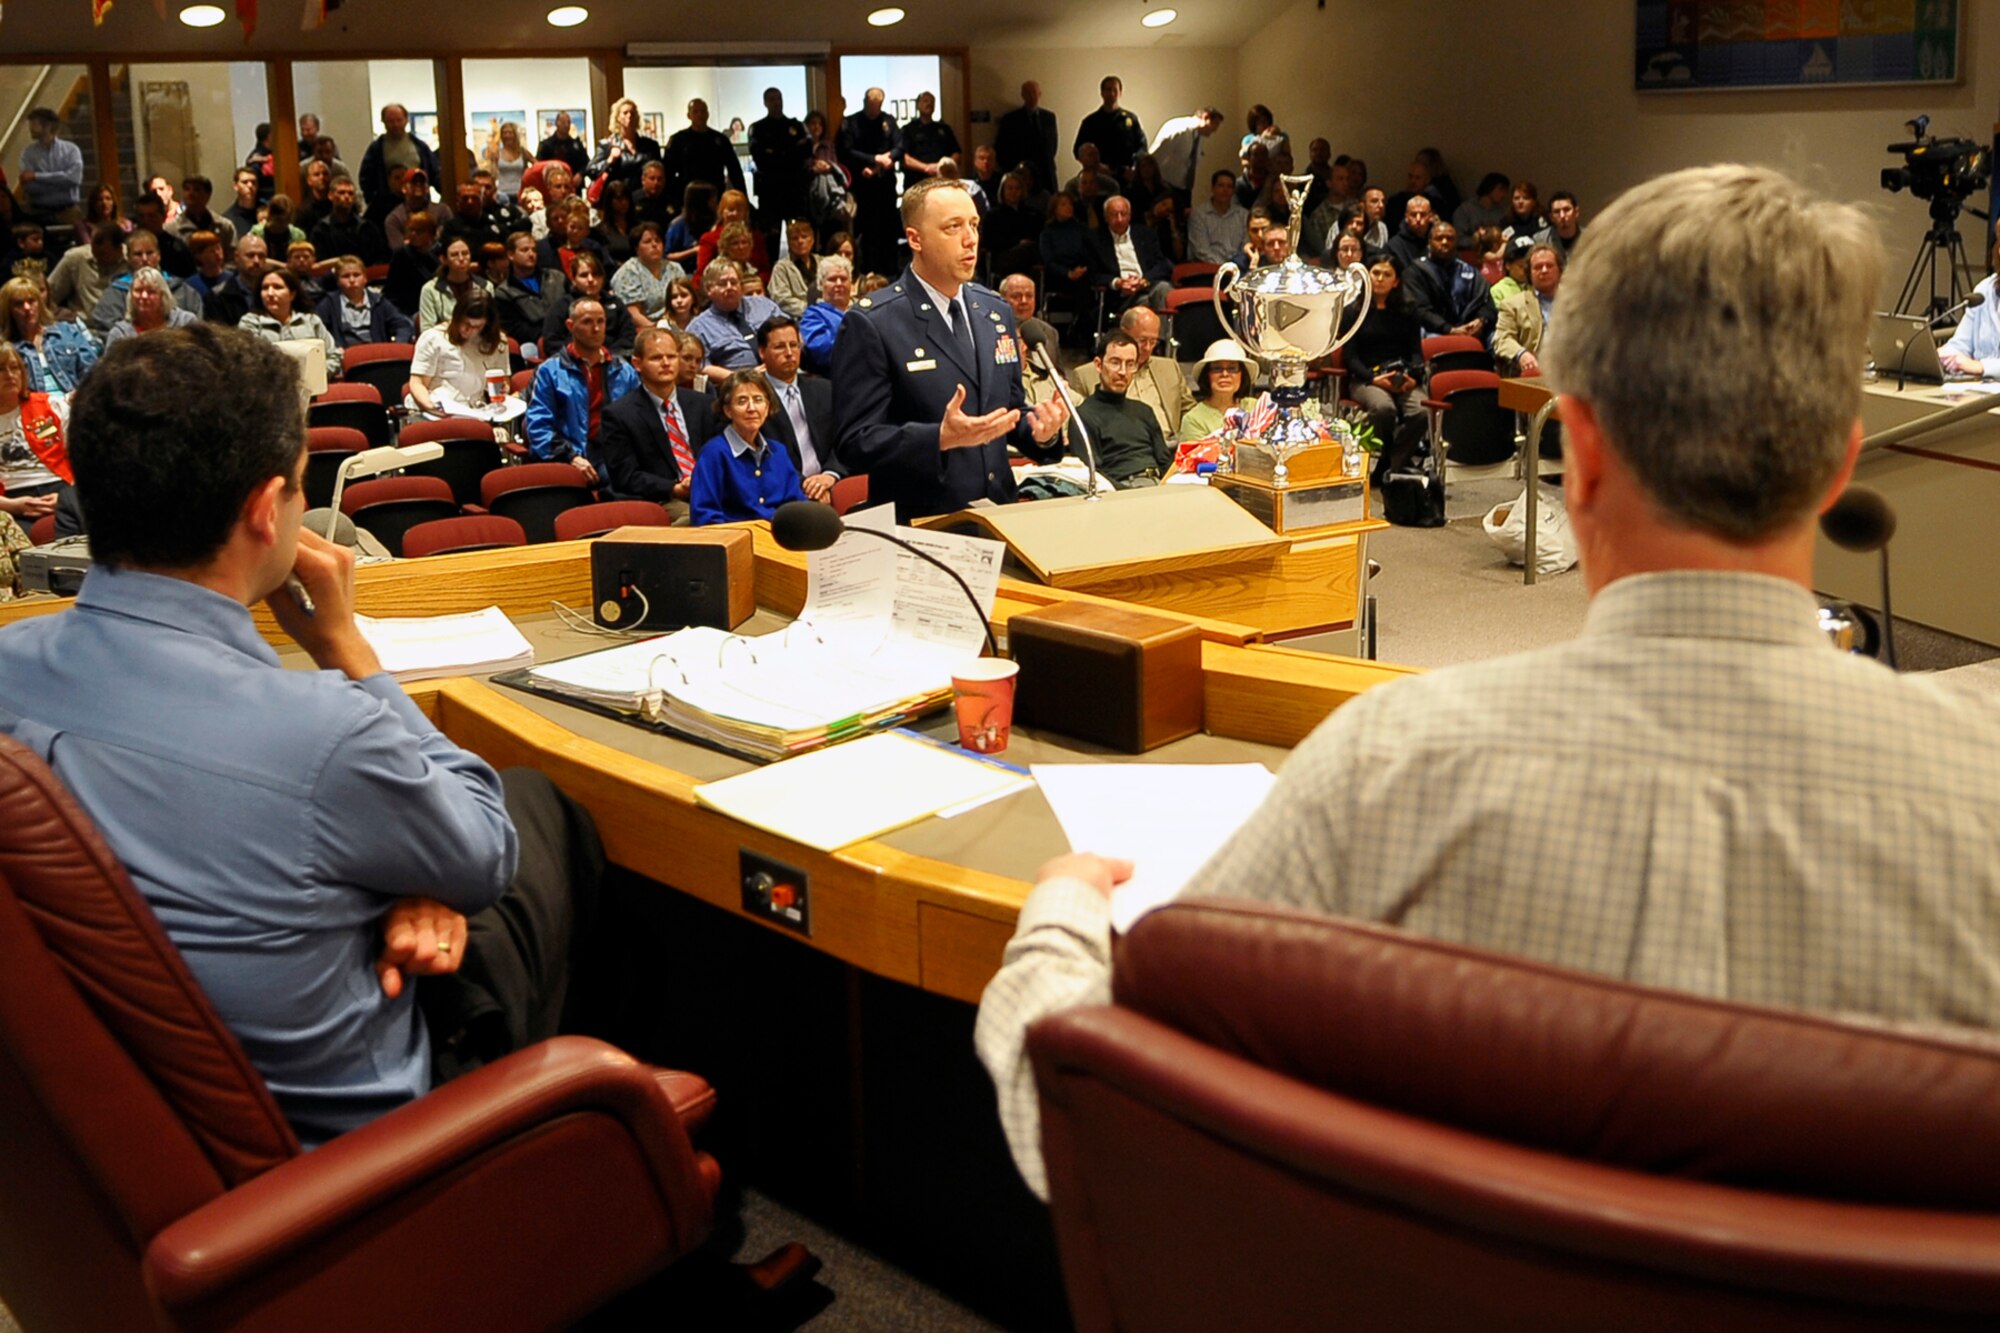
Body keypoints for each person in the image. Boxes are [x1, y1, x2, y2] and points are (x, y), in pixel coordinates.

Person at [981, 160, 2000, 1195]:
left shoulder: (1389, 761)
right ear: (1838, 464)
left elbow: (1087, 1119)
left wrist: (1059, 919)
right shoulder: (1985, 794)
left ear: (1580, 455)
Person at [0, 324, 604, 1146]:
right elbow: (482, 854)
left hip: (111, 1145)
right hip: (356, 1172)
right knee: (538, 808)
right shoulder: (324, 735)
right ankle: (600, 1159)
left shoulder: (11, 671)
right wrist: (345, 646)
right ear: (264, 510)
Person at [831, 177, 1067, 520]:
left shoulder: (995, 311)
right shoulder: (874, 322)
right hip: (923, 523)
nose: (970, 239)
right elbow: (855, 442)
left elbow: (1009, 410)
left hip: (1000, 515)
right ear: (916, 239)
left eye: (974, 224)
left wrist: (1040, 431)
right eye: (953, 227)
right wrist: (937, 438)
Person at [597, 326, 714, 521]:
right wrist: (675, 488)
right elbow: (626, 477)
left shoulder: (703, 404)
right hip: (662, 498)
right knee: (697, 518)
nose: (666, 363)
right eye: (656, 358)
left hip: (709, 488)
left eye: (672, 356)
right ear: (637, 364)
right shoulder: (619, 415)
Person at [525, 296, 637, 484]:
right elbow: (538, 427)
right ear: (570, 326)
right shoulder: (549, 371)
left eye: (601, 321)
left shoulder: (624, 370)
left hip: (614, 453)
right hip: (570, 454)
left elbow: (639, 419)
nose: (596, 329)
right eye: (587, 322)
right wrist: (571, 457)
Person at [689, 367, 808, 525]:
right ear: (728, 410)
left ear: (767, 407)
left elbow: (797, 505)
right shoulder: (714, 454)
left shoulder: (778, 451)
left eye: (758, 400)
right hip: (737, 537)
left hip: (781, 536)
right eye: (742, 401)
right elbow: (705, 516)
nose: (751, 408)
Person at [1343, 253, 1427, 476]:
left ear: (1396, 281)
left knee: (1421, 411)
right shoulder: (1353, 311)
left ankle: (1392, 464)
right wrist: (1373, 379)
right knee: (1383, 409)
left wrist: (1413, 378)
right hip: (1366, 378)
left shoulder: (1408, 311)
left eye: (1387, 274)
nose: (1380, 279)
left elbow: (1416, 352)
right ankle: (1387, 457)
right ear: (1367, 277)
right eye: (1376, 273)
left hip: (1401, 375)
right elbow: (1350, 358)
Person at [1068, 304, 1192, 438]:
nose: (1148, 348)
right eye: (1142, 340)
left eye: (1153, 341)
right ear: (1124, 333)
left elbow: (1190, 410)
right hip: (1121, 446)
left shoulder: (1170, 367)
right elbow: (1078, 427)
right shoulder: (1085, 376)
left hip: (1172, 444)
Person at [1070, 329, 1171, 487]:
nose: (1123, 372)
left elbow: (1165, 463)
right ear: (1098, 365)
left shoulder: (1144, 411)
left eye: (1130, 364)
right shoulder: (1083, 415)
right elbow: (1092, 474)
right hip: (1120, 489)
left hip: (1159, 484)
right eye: (1115, 363)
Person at [755, 313, 840, 501]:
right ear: (762, 352)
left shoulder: (824, 389)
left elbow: (843, 439)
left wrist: (830, 474)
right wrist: (808, 487)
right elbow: (763, 456)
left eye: (794, 345)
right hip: (782, 492)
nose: (789, 353)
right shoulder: (754, 398)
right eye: (779, 347)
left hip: (831, 481)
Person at [0, 341, 77, 528]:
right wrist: (12, 506)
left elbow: (84, 460)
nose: (10, 375)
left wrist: (67, 496)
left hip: (60, 487)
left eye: (15, 368)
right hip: (10, 498)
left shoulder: (51, 406)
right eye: (1, 369)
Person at [408, 290, 511, 417]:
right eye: (465, 323)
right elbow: (417, 383)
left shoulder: (497, 342)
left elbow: (503, 381)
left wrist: (503, 388)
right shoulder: (434, 338)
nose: (468, 330)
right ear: (456, 317)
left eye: (477, 326)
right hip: (436, 409)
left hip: (476, 411)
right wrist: (430, 406)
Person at [840, 89, 902, 279]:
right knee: (867, 233)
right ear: (865, 102)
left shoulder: (888, 121)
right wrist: (874, 159)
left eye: (878, 105)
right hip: (862, 185)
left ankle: (890, 272)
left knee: (888, 231)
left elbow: (900, 146)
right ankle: (867, 271)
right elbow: (846, 151)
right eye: (872, 105)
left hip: (885, 185)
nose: (875, 109)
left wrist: (888, 157)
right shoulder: (851, 123)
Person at [687, 258, 782, 381]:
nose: (729, 287)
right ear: (709, 289)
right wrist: (743, 378)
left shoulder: (764, 305)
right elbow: (702, 366)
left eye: (733, 282)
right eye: (723, 284)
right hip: (737, 384)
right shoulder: (699, 327)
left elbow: (791, 334)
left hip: (781, 374)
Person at [4, 277, 100, 396]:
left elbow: (92, 373)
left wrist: (79, 396)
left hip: (74, 402)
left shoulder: (67, 331)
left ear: (40, 304)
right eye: (19, 304)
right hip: (33, 405)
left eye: (31, 301)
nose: (27, 308)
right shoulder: (6, 348)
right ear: (8, 310)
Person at [238, 264, 341, 375]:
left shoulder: (311, 321)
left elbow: (333, 356)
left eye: (277, 287)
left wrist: (315, 374)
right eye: (265, 288)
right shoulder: (250, 322)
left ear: (292, 294)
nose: (270, 293)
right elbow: (247, 361)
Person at [1404, 220, 1497, 342]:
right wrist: (1449, 329)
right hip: (1435, 331)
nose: (1445, 242)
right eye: (1439, 238)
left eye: (1450, 238)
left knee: (1496, 339)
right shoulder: (1416, 271)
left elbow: (1487, 303)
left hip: (1471, 330)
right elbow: (1419, 310)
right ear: (1429, 242)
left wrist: (1481, 320)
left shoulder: (1470, 271)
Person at [542, 249, 636, 360]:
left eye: (596, 274)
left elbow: (628, 336)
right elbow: (552, 342)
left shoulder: (615, 303)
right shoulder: (562, 306)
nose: (591, 279)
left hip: (614, 359)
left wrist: (607, 356)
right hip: (574, 362)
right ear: (573, 279)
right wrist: (579, 357)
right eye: (584, 275)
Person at [359, 103, 443, 222]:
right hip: (387, 206)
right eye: (391, 121)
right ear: (383, 122)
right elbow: (366, 178)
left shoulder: (419, 146)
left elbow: (434, 172)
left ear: (406, 120)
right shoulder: (376, 149)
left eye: (399, 120)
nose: (395, 125)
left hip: (419, 201)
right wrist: (373, 200)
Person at [1090, 195, 1172, 315]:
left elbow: (1163, 265)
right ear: (1106, 217)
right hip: (1121, 297)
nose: (1119, 219)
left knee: (1163, 288)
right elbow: (1093, 274)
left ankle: (1160, 328)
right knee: (1151, 304)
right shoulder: (1095, 239)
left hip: (1147, 287)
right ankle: (1161, 328)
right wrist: (1118, 283)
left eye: (1123, 214)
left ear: (1130, 215)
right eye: (1114, 215)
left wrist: (1144, 281)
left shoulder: (1145, 234)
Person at [748, 87, 813, 236]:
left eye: (779, 98)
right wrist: (791, 150)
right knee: (771, 238)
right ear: (765, 103)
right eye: (772, 99)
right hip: (770, 192)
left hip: (794, 190)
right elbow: (762, 160)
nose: (776, 103)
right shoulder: (758, 128)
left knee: (797, 236)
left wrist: (776, 152)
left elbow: (806, 152)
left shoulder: (796, 126)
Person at [317, 253, 414, 349]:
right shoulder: (329, 303)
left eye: (356, 275)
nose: (352, 280)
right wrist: (332, 349)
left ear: (365, 278)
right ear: (338, 281)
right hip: (345, 355)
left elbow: (403, 325)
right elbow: (317, 330)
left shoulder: (379, 301)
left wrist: (397, 345)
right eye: (346, 276)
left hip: (376, 353)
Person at [1495, 242, 1562, 377]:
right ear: (1529, 273)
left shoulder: (1576, 302)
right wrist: (1522, 354)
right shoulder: (1512, 305)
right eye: (1538, 267)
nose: (1544, 270)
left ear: (1559, 270)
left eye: (1549, 265)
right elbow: (1502, 339)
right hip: (1534, 371)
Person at [1939, 234, 2000, 378]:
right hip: (1980, 387)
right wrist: (1941, 356)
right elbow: (1961, 345)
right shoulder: (1985, 290)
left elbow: (1977, 367)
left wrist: (1982, 367)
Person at [662, 99, 743, 205]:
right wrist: (670, 199)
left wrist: (742, 194)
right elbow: (668, 171)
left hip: (714, 194)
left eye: (703, 111)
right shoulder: (679, 140)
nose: (700, 115)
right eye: (695, 111)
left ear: (708, 114)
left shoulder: (720, 140)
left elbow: (734, 170)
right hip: (687, 196)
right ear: (689, 115)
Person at [611, 221, 687, 331]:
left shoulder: (675, 268)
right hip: (646, 329)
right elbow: (633, 313)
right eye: (647, 241)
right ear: (636, 248)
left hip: (677, 324)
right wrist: (660, 331)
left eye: (658, 241)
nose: (654, 245)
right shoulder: (629, 271)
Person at [103, 265, 200, 350]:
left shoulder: (186, 322)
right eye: (138, 291)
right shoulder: (120, 334)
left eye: (151, 291)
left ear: (162, 295)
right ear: (131, 295)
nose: (144, 296)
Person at [46, 228, 128, 326]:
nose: (98, 259)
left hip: (121, 326)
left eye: (103, 254)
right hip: (83, 326)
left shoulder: (133, 257)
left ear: (119, 249)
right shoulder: (75, 258)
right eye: (94, 253)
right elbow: (48, 294)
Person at [1177, 338, 1254, 441]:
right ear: (1206, 375)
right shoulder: (1193, 420)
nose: (1225, 374)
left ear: (1242, 375)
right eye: (1217, 368)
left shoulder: (1255, 407)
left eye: (1232, 368)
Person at [1075, 76, 1145, 184]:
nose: (1112, 94)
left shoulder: (1131, 119)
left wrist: (1135, 168)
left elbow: (1142, 146)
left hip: (1127, 178)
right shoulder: (1090, 122)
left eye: (1115, 90)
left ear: (1120, 93)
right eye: (1108, 90)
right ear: (1102, 93)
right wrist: (1095, 166)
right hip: (1099, 179)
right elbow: (1078, 150)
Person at [1146, 105, 1224, 203]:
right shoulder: (1177, 130)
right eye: (1215, 124)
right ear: (1205, 117)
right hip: (1164, 187)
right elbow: (1153, 157)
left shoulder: (1199, 136)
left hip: (1184, 189)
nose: (1215, 130)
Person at [18, 108, 84, 223]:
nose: (30, 128)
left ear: (47, 126)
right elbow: (29, 187)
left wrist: (36, 176)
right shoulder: (27, 153)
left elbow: (74, 179)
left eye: (34, 124)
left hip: (68, 211)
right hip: (38, 212)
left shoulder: (71, 150)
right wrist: (61, 184)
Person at [994, 81, 1058, 198]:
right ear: (1023, 95)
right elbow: (1001, 148)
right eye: (1028, 93)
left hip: (1045, 172)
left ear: (1039, 94)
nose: (1032, 96)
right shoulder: (1010, 119)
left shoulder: (1049, 117)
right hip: (1020, 174)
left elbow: (1053, 145)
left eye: (1034, 92)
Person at [695, 189, 771, 282]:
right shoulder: (709, 238)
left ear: (745, 213)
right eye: (730, 209)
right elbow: (701, 275)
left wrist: (752, 283)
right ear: (721, 211)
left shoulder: (757, 237)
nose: (735, 213)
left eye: (739, 210)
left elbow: (765, 270)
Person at [419, 238, 494, 331]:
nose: (461, 259)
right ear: (444, 259)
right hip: (443, 338)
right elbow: (427, 329)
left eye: (465, 253)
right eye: (454, 255)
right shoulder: (430, 289)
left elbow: (491, 323)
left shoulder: (486, 287)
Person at [798, 252, 854, 374]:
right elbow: (824, 351)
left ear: (851, 284)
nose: (839, 283)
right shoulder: (812, 316)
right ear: (820, 284)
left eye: (843, 279)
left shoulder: (863, 309)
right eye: (832, 279)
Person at [898, 92, 960, 193]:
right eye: (925, 101)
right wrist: (926, 168)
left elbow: (956, 153)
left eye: (932, 102)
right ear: (918, 105)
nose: (929, 104)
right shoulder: (908, 129)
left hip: (941, 182)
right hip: (916, 183)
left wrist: (941, 167)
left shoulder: (944, 129)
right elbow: (904, 158)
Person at [203, 233, 270, 327]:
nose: (256, 261)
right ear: (237, 257)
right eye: (250, 255)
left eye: (261, 256)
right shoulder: (217, 296)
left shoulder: (272, 293)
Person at [383, 212, 440, 321]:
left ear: (431, 234)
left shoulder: (437, 254)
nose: (413, 234)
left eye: (419, 231)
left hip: (431, 304)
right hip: (407, 308)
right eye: (411, 230)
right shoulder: (402, 254)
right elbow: (392, 291)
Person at [1186, 168, 1249, 266]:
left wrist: (1236, 266)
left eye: (1229, 186)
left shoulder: (1244, 215)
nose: (1225, 190)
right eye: (1221, 185)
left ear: (1233, 191)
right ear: (1213, 188)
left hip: (1238, 267)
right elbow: (1201, 251)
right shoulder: (1199, 215)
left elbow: (1246, 246)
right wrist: (1225, 268)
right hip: (1208, 267)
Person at [384, 168, 450, 252]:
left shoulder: (442, 211)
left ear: (427, 188)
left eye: (422, 182)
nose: (418, 184)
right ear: (404, 188)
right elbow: (399, 249)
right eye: (414, 182)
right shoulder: (394, 218)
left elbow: (449, 241)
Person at [169, 174, 237, 253]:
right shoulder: (171, 229)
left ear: (208, 195)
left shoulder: (224, 227)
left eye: (196, 189)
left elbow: (231, 257)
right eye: (187, 189)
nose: (191, 194)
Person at [769, 219, 820, 317]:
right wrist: (810, 310)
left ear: (812, 240)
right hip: (796, 317)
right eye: (795, 238)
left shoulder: (822, 262)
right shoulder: (781, 268)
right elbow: (781, 299)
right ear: (789, 242)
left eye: (804, 237)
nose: (800, 241)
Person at [1453, 171, 1512, 237]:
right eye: (1501, 189)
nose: (1503, 194)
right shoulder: (1465, 210)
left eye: (1505, 191)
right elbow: (1459, 237)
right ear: (1490, 187)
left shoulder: (1501, 213)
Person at [1385, 193, 1436, 269]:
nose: (1418, 219)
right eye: (1413, 215)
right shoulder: (1394, 246)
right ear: (1406, 217)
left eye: (1423, 214)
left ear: (1430, 216)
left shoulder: (1438, 240)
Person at [535, 110, 589, 178]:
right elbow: (539, 166)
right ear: (557, 123)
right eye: (563, 122)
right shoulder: (546, 145)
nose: (566, 125)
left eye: (568, 122)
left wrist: (580, 174)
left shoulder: (577, 146)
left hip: (574, 182)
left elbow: (587, 164)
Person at [485, 120, 530, 202]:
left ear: (515, 135)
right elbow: (492, 175)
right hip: (502, 193)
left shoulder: (523, 152)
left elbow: (538, 165)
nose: (507, 136)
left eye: (510, 133)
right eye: (504, 133)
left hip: (521, 193)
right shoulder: (497, 152)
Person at [1537, 191, 1585, 262]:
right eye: (1557, 212)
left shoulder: (1589, 237)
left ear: (1576, 212)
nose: (1562, 215)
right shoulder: (1541, 240)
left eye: (1567, 210)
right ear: (1551, 217)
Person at [222, 167, 263, 240]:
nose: (250, 186)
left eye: (253, 182)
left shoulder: (267, 213)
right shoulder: (227, 220)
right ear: (235, 186)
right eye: (245, 182)